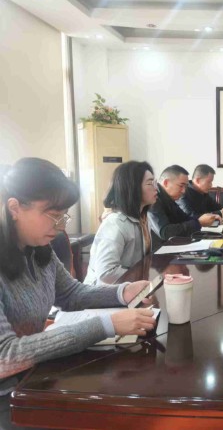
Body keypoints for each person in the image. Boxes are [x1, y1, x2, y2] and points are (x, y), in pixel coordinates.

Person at [0, 158, 155, 429]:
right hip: (10, 397)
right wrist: (105, 325)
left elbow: (71, 293)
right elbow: (6, 355)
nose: (61, 226)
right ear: (15, 208)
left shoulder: (39, 249)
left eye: (65, 215)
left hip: (37, 375)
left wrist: (122, 293)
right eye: (54, 215)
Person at [84, 161, 158, 285]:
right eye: (150, 183)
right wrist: (141, 276)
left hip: (129, 286)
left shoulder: (143, 218)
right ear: (132, 187)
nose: (156, 188)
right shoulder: (115, 223)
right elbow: (106, 272)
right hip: (104, 292)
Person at [148, 165, 221, 248]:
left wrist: (207, 217)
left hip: (175, 245)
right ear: (166, 183)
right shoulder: (153, 199)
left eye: (185, 186)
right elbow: (165, 232)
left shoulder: (169, 197)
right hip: (159, 250)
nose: (183, 191)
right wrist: (199, 222)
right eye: (181, 186)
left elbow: (185, 218)